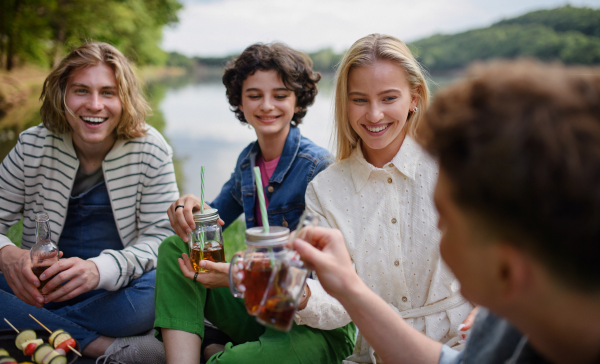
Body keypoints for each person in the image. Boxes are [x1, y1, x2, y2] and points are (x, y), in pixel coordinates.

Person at [292, 60, 600, 363]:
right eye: (360, 99)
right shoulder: (514, 333)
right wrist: (333, 287)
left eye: (447, 222)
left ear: (509, 266)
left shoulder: (506, 331)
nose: (436, 234)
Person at [154, 43, 356, 364]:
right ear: (239, 101)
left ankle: (217, 348)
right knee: (174, 248)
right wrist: (192, 209)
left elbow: (326, 279)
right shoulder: (248, 163)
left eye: (280, 95)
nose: (266, 106)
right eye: (254, 95)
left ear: (297, 100)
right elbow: (213, 218)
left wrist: (239, 274)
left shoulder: (318, 168)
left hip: (313, 323)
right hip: (262, 307)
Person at [294, 34, 474, 363]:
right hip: (376, 355)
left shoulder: (455, 165)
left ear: (414, 98)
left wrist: (490, 312)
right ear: (344, 104)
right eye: (359, 100)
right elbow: (338, 304)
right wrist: (299, 293)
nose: (374, 115)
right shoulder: (325, 189)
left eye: (389, 98)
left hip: (463, 346)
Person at [0, 42, 178, 363]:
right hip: (38, 292)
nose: (94, 105)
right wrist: (8, 254)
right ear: (62, 95)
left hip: (116, 295)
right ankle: (103, 347)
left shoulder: (151, 149)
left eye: (108, 93)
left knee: (156, 293)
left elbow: (163, 239)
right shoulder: (31, 145)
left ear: (125, 98)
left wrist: (100, 270)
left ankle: (25, 329)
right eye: (81, 90)